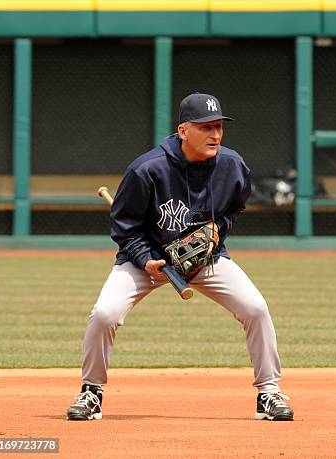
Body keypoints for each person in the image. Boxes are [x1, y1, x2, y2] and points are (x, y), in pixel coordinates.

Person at [66, 92, 294, 422]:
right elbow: (124, 225)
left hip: (205, 261)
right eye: (205, 127)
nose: (215, 134)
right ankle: (91, 392)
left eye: (218, 127)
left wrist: (219, 229)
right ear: (184, 130)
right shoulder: (146, 170)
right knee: (104, 314)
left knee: (256, 308)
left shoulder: (232, 165)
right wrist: (145, 259)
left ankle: (268, 392)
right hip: (146, 260)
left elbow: (235, 207)